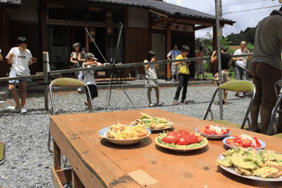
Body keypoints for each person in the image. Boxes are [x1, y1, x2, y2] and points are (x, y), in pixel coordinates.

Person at [250, 7, 282, 134]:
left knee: (256, 97)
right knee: (268, 101)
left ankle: (254, 126)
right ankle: (265, 133)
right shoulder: (280, 21)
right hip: (270, 64)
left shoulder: (262, 21)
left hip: (255, 63)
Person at [6, 37, 37, 113]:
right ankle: (18, 105)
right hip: (14, 71)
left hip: (25, 72)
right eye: (22, 45)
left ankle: (22, 107)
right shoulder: (13, 50)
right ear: (18, 45)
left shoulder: (28, 52)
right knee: (11, 88)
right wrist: (10, 56)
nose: (24, 47)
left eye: (25, 45)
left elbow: (29, 62)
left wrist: (32, 61)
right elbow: (8, 62)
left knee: (23, 89)